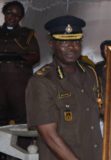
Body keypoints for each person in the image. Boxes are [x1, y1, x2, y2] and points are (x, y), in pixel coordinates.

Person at [25, 15, 102, 160]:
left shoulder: (90, 74)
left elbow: (103, 111)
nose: (72, 47)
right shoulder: (42, 81)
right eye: (64, 42)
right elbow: (49, 136)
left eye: (76, 41)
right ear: (51, 43)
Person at [0, 1, 40, 125]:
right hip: (0, 84)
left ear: (21, 17)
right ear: (4, 13)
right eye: (9, 13)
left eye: (17, 15)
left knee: (22, 120)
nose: (13, 17)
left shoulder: (27, 34)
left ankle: (23, 145)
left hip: (19, 84)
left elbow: (36, 56)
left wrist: (19, 58)